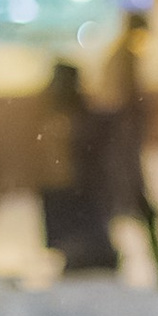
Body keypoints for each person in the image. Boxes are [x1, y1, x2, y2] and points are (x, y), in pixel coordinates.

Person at [97, 8, 158, 288]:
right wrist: (141, 111)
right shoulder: (124, 57)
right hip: (122, 148)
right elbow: (120, 103)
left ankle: (149, 269)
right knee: (133, 208)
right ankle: (156, 271)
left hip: (120, 146)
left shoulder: (117, 56)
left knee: (127, 209)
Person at [31, 57, 116, 276]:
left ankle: (79, 264)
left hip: (62, 187)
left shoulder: (50, 111)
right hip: (74, 187)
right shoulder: (75, 114)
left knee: (72, 242)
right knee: (81, 241)